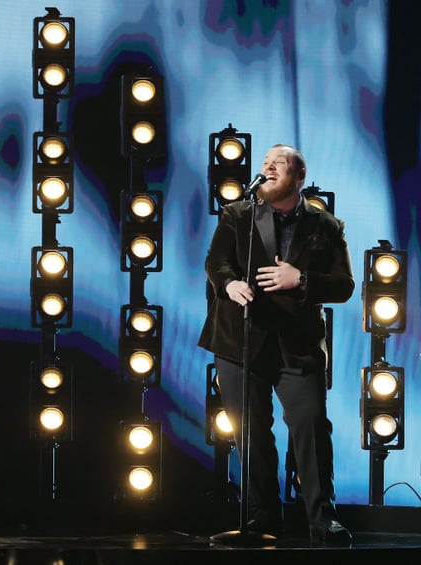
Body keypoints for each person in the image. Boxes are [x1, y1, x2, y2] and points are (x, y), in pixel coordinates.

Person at [198, 144, 354, 545]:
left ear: (298, 177)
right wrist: (230, 284)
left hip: (297, 345)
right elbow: (216, 262)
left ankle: (322, 518)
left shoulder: (327, 226)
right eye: (265, 163)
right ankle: (262, 518)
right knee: (250, 431)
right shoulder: (238, 214)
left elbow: (344, 285)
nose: (268, 168)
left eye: (278, 165)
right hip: (240, 341)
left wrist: (300, 280)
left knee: (311, 427)